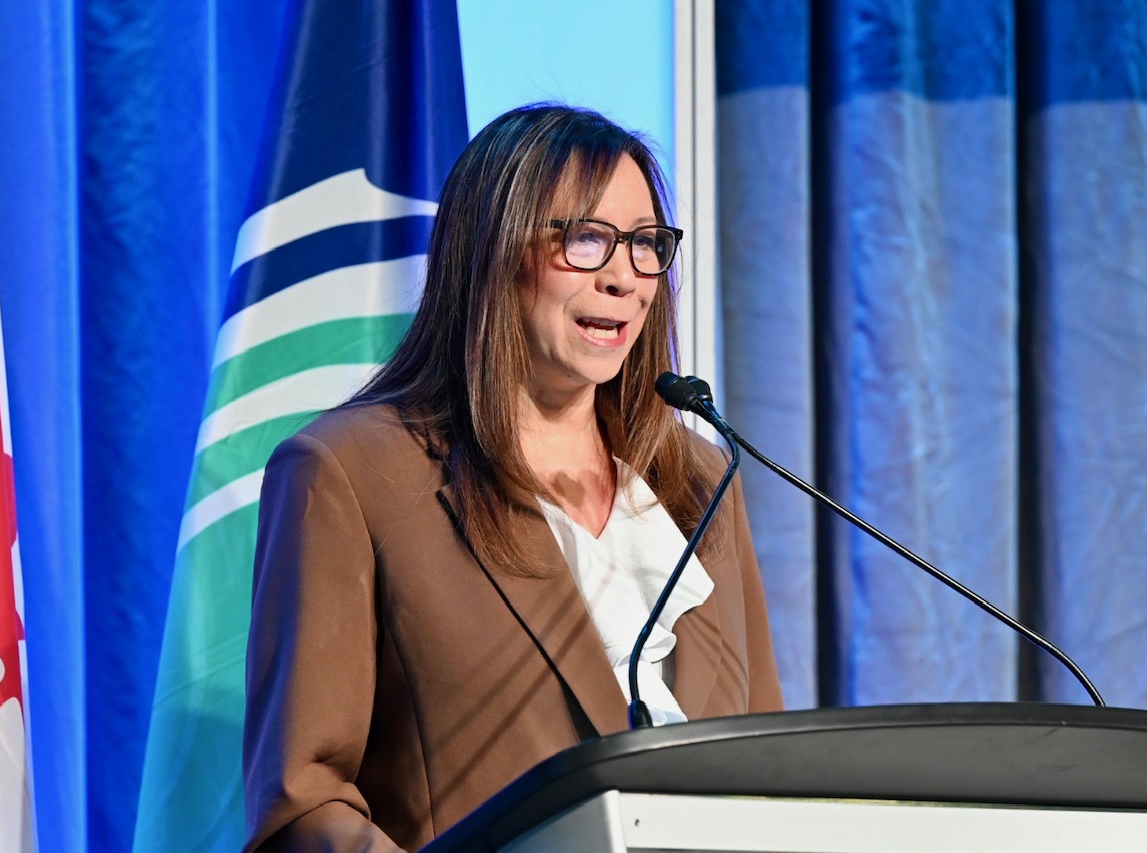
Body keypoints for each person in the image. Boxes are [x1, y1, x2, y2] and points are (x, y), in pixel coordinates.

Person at [243, 103, 783, 852]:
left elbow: (772, 766)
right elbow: (303, 804)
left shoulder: (698, 476)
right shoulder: (350, 472)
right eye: (588, 239)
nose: (625, 277)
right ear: (493, 250)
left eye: (646, 244)